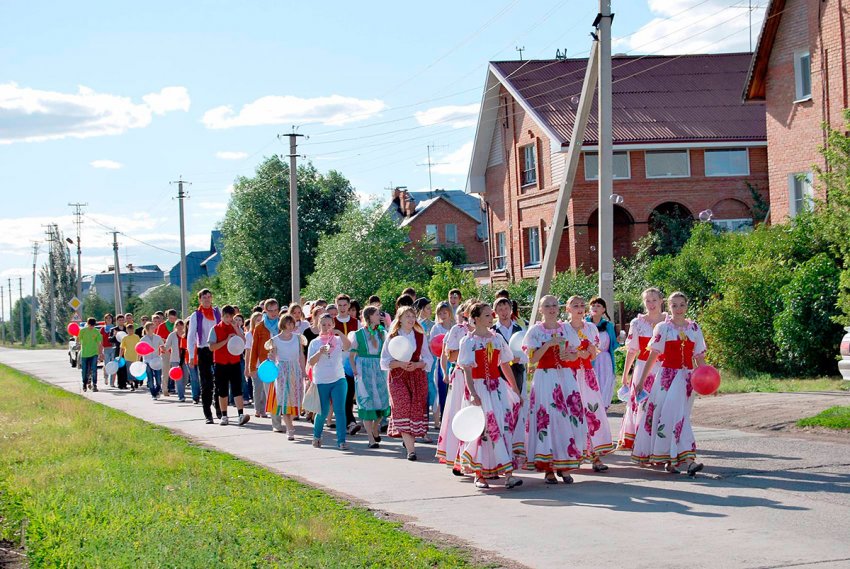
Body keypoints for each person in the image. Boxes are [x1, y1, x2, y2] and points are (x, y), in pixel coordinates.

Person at [631, 291, 706, 477]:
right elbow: (653, 355)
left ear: (687, 306)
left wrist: (706, 380)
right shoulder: (663, 328)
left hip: (687, 379)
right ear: (669, 307)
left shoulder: (694, 328)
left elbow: (699, 357)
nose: (678, 309)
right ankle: (689, 461)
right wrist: (641, 381)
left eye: (682, 305)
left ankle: (671, 460)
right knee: (673, 416)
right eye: (674, 305)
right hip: (667, 378)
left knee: (680, 416)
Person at [457, 303, 525, 490]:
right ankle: (479, 474)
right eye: (487, 315)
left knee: (501, 426)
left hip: (496, 388)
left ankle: (508, 474)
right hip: (479, 387)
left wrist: (515, 390)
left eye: (491, 315)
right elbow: (467, 369)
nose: (491, 318)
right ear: (476, 318)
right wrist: (473, 393)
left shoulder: (497, 338)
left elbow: (504, 364)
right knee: (481, 429)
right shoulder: (468, 341)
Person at [522, 295, 587, 484]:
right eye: (547, 306)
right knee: (549, 418)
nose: (551, 308)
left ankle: (564, 465)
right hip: (545, 377)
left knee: (568, 418)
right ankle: (548, 468)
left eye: (554, 305)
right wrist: (548, 345)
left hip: (565, 377)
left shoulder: (566, 328)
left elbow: (575, 354)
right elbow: (532, 359)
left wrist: (570, 356)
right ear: (540, 310)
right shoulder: (535, 331)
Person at [565, 295, 613, 471]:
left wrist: (588, 352)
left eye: (581, 305)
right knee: (572, 413)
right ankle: (573, 455)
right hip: (569, 375)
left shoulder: (590, 328)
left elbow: (593, 354)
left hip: (586, 374)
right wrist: (577, 354)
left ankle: (595, 456)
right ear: (568, 309)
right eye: (575, 305)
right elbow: (562, 354)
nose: (579, 308)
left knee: (592, 411)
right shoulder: (562, 329)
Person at [381, 305, 433, 461]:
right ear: (400, 319)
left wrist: (417, 365)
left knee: (414, 409)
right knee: (402, 407)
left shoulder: (420, 336)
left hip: (416, 376)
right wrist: (400, 364)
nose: (411, 319)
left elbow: (428, 358)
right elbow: (384, 361)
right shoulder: (392, 336)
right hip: (398, 376)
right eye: (407, 316)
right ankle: (411, 450)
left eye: (413, 316)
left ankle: (408, 441)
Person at [618, 288, 667, 450]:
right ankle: (640, 439)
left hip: (664, 367)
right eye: (647, 300)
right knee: (642, 402)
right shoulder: (637, 323)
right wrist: (625, 374)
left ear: (661, 301)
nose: (651, 304)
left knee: (661, 402)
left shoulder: (669, 321)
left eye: (654, 300)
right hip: (643, 366)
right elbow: (632, 350)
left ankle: (660, 439)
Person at [436, 301, 473, 471]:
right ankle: (457, 456)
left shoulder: (488, 331)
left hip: (480, 378)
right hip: (461, 376)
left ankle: (475, 457)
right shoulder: (458, 330)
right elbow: (449, 356)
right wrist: (467, 346)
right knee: (459, 413)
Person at [307, 313, 351, 449]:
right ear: (318, 325)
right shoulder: (315, 343)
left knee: (340, 410)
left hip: (338, 379)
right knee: (323, 411)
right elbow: (311, 362)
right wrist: (319, 352)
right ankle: (317, 436)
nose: (326, 327)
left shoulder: (337, 340)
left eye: (329, 324)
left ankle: (341, 440)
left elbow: (348, 346)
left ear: (333, 325)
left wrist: (340, 333)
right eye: (323, 324)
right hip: (321, 381)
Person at [349, 306, 390, 448]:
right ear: (370, 316)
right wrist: (355, 370)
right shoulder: (358, 334)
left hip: (379, 369)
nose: (380, 316)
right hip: (364, 369)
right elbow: (351, 355)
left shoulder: (382, 333)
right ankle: (370, 438)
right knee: (367, 402)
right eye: (377, 314)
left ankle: (374, 427)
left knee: (382, 401)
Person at [208, 305, 250, 426]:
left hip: (234, 362)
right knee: (222, 390)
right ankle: (224, 415)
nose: (229, 319)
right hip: (220, 363)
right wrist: (226, 340)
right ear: (222, 316)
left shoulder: (236, 327)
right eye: (226, 317)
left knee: (237, 389)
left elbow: (244, 341)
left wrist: (236, 328)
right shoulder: (215, 329)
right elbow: (211, 347)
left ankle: (240, 414)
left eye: (231, 317)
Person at [187, 289, 222, 424]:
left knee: (219, 381)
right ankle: (208, 413)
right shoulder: (196, 315)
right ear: (200, 300)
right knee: (206, 384)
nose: (207, 299)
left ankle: (218, 406)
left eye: (209, 297)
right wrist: (191, 355)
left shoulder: (217, 312)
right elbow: (191, 337)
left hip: (217, 349)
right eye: (204, 297)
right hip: (203, 350)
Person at [269, 314, 306, 440]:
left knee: (295, 398)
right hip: (282, 371)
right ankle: (290, 428)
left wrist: (304, 370)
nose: (290, 326)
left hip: (295, 370)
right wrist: (270, 358)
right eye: (288, 323)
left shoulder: (298, 338)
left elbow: (301, 355)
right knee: (284, 400)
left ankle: (290, 423)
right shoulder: (275, 340)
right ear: (283, 324)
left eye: (292, 323)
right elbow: (273, 357)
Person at [248, 300, 283, 430]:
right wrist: (252, 367)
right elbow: (254, 348)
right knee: (271, 394)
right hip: (266, 365)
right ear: (265, 311)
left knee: (282, 393)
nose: (273, 313)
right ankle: (276, 423)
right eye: (270, 310)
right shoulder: (259, 327)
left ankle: (286, 418)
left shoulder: (283, 324)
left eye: (275, 310)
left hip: (283, 363)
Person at [334, 294, 361, 436]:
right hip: (336, 363)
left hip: (351, 362)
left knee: (350, 393)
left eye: (345, 305)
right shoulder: (332, 322)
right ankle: (349, 421)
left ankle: (349, 422)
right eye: (340, 305)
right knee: (342, 394)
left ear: (349, 306)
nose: (342, 308)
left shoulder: (356, 322)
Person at [587, 297, 618, 409]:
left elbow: (614, 344)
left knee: (605, 383)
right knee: (591, 384)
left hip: (605, 359)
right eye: (593, 305)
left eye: (598, 306)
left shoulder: (608, 325)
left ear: (603, 309)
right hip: (589, 358)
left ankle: (603, 409)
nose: (595, 308)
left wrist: (619, 340)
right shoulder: (585, 324)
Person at [492, 297, 526, 394]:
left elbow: (526, 349)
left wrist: (520, 359)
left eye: (506, 308)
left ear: (511, 309)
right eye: (500, 309)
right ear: (495, 312)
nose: (504, 312)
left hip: (517, 370)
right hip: (499, 372)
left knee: (517, 397)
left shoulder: (520, 329)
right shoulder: (492, 331)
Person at [429, 301, 454, 425]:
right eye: (440, 313)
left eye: (445, 312)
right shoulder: (436, 328)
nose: (442, 315)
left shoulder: (455, 326)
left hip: (454, 361)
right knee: (441, 390)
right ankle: (441, 419)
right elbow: (432, 345)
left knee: (454, 391)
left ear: (449, 313)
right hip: (441, 361)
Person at [140, 322, 165, 400]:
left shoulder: (158, 337)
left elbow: (162, 346)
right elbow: (140, 350)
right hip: (147, 360)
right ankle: (153, 394)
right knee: (150, 378)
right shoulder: (143, 339)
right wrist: (138, 360)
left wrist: (163, 349)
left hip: (156, 361)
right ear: (147, 329)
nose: (154, 329)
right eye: (152, 328)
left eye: (154, 327)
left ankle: (157, 390)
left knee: (158, 379)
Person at [164, 319, 188, 402]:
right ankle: (181, 396)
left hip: (185, 359)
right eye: (177, 325)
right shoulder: (172, 335)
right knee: (179, 378)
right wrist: (162, 348)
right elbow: (167, 346)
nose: (179, 326)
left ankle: (181, 390)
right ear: (175, 326)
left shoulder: (186, 334)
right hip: (175, 359)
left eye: (181, 325)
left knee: (186, 378)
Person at [78, 317, 103, 392]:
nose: (91, 326)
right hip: (85, 353)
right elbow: (78, 339)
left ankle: (94, 384)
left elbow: (99, 343)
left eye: (93, 325)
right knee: (84, 370)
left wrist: (100, 353)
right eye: (90, 325)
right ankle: (84, 383)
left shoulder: (96, 332)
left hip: (94, 353)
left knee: (94, 369)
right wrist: (78, 342)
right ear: (87, 324)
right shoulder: (83, 331)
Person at [119, 325, 141, 391]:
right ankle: (131, 384)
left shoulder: (136, 337)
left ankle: (136, 382)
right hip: (128, 356)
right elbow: (122, 348)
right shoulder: (125, 338)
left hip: (136, 356)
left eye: (132, 330)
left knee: (136, 370)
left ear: (133, 330)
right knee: (129, 371)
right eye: (129, 330)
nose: (130, 331)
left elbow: (140, 346)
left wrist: (140, 355)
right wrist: (120, 356)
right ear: (126, 330)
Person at [108, 314, 128, 388]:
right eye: (119, 320)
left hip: (126, 349)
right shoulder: (113, 329)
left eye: (122, 320)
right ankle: (120, 384)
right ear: (117, 321)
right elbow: (110, 340)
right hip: (118, 349)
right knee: (119, 366)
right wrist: (114, 335)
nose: (121, 321)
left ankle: (125, 383)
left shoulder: (127, 328)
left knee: (125, 366)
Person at [101, 313, 116, 385]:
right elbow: (101, 340)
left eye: (110, 318)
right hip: (106, 348)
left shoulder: (115, 328)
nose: (108, 319)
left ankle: (112, 382)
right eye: (107, 318)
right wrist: (100, 350)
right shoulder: (102, 329)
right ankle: (106, 377)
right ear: (105, 320)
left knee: (113, 365)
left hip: (113, 348)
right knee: (106, 364)